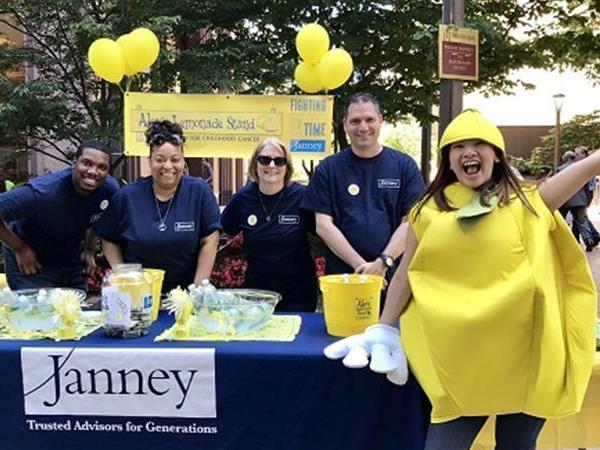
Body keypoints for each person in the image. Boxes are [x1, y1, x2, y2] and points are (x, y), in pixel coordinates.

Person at [324, 109, 597, 450]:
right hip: (463, 367)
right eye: (458, 146)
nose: (468, 152)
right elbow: (408, 274)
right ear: (448, 160)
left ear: (496, 155)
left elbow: (589, 166)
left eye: (479, 143)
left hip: (525, 359)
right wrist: (384, 326)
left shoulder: (529, 202)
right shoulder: (426, 213)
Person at [301, 92, 425, 286]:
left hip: (394, 279)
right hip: (344, 280)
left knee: (389, 318)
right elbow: (323, 225)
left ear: (381, 121)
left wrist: (383, 263)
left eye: (369, 119)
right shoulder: (328, 169)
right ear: (345, 125)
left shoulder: (404, 166)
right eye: (355, 121)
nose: (363, 127)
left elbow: (411, 221)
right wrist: (363, 268)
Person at [95, 120, 220, 293]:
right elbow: (108, 237)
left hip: (186, 295)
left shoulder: (199, 192)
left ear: (183, 161)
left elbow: (210, 239)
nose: (168, 166)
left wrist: (198, 288)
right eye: (160, 160)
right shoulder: (127, 197)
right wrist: (124, 275)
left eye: (175, 159)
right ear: (150, 161)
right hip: (139, 296)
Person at [0, 140, 118, 290]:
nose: (93, 171)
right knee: (37, 311)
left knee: (75, 307)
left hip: (69, 257)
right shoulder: (43, 192)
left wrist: (89, 251)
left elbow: (98, 219)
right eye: (87, 163)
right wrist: (20, 248)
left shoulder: (109, 190)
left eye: (102, 167)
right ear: (74, 163)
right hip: (32, 259)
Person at [221, 137, 317, 312]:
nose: (272, 165)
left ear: (286, 167)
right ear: (255, 164)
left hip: (299, 294)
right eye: (265, 159)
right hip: (257, 295)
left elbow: (323, 233)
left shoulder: (302, 196)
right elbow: (222, 233)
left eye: (279, 161)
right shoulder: (243, 198)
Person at [559, 146, 599, 250]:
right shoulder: (581, 168)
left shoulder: (562, 169)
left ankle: (564, 242)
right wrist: (586, 200)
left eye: (578, 154)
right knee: (582, 222)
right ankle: (589, 242)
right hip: (581, 200)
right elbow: (587, 187)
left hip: (567, 200)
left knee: (561, 221)